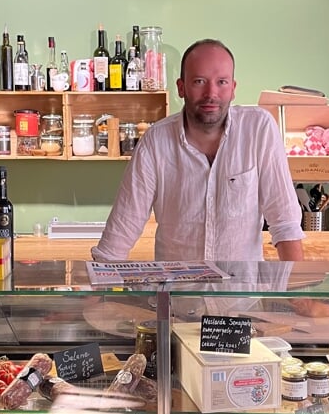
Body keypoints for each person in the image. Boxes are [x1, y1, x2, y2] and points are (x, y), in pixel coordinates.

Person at [91, 39, 304, 263]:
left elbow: (285, 223)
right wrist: (96, 289)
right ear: (181, 87)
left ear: (233, 89)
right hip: (176, 295)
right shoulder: (156, 141)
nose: (211, 93)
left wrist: (300, 295)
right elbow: (123, 228)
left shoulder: (259, 129)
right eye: (199, 81)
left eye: (222, 82)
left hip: (242, 295)